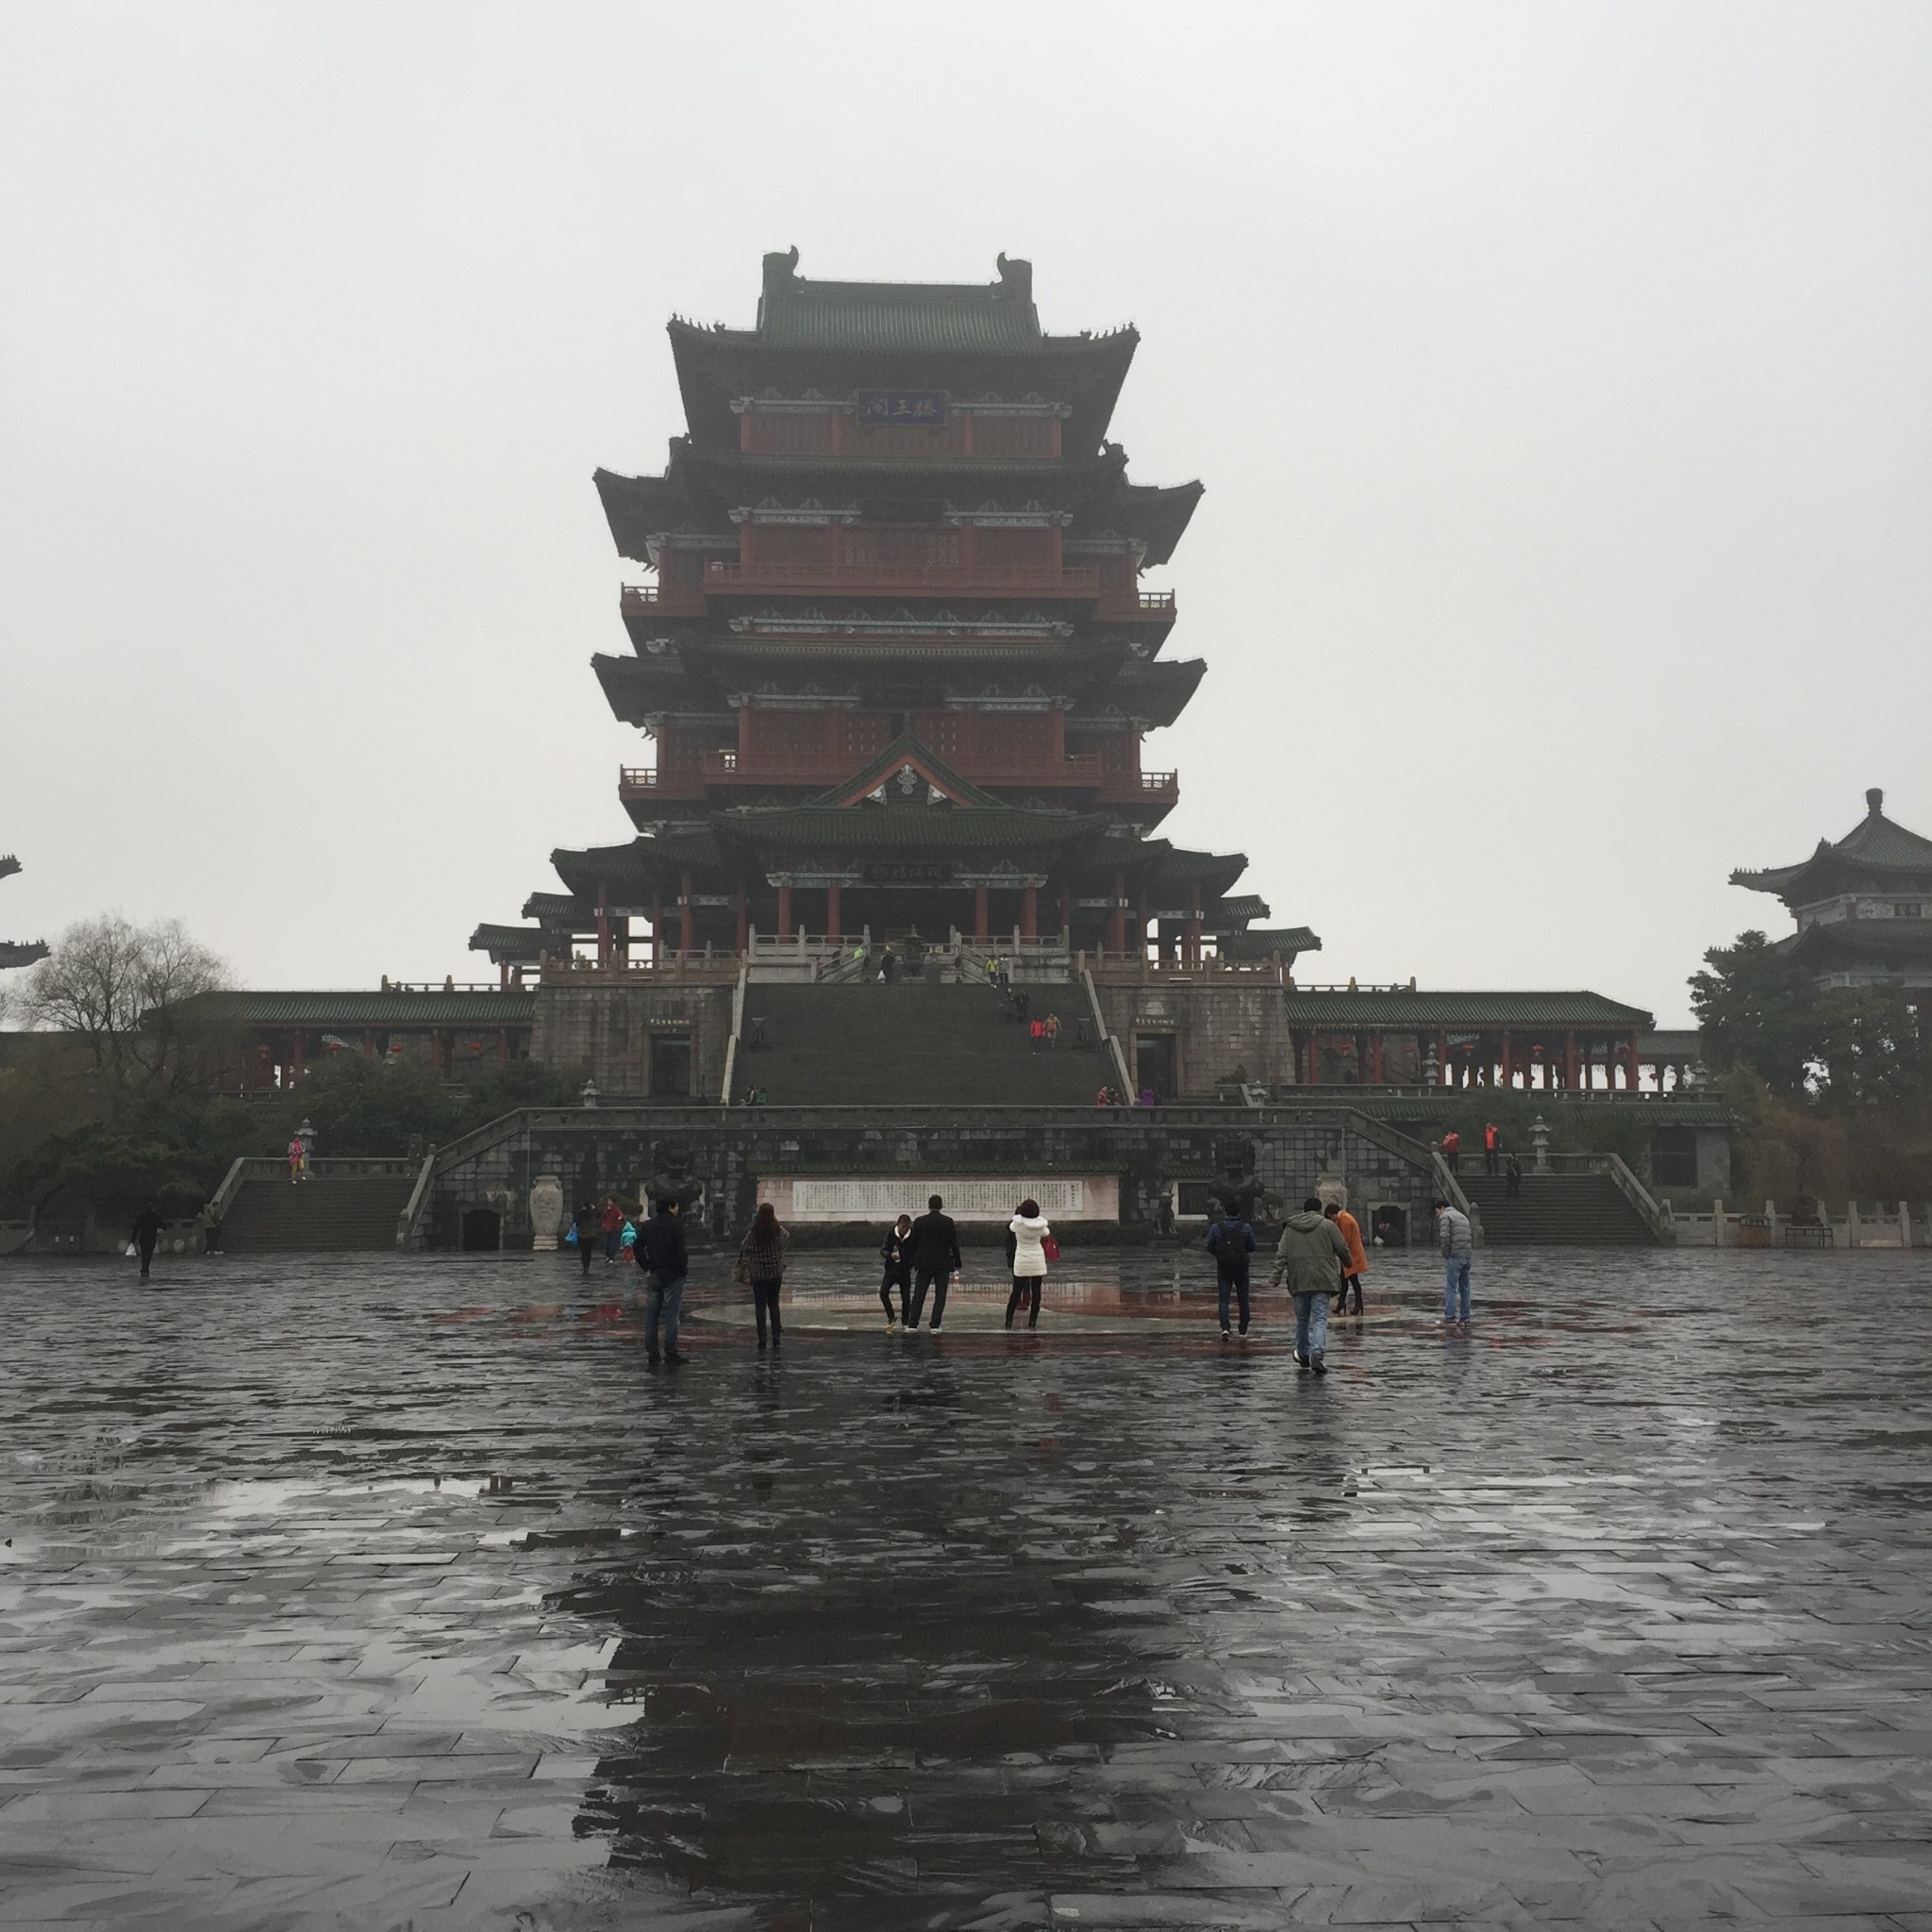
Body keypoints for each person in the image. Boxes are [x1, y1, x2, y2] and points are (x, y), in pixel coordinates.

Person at [1270, 1196, 1351, 1374]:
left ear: (1304, 1210)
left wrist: (1276, 1276)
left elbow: (1281, 1254)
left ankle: (1303, 1353)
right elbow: (1342, 1247)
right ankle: (1317, 1355)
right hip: (1322, 1278)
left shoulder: (1290, 1228)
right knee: (1320, 1319)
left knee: (1302, 1319)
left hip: (1299, 1278)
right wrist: (1348, 1262)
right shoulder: (1328, 1225)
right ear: (1319, 1209)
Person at [634, 1197, 690, 1366]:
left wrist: (646, 1265)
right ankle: (671, 1352)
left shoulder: (648, 1225)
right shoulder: (676, 1225)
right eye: (676, 1206)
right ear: (671, 1208)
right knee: (672, 1315)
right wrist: (682, 1270)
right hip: (673, 1275)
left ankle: (652, 1351)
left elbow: (637, 1246)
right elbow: (681, 1251)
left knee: (652, 1315)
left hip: (655, 1273)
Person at [906, 1193, 961, 1331]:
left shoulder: (919, 1221)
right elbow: (954, 1243)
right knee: (940, 1295)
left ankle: (913, 1323)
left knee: (919, 1294)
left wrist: (911, 1260)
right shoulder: (948, 1222)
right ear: (941, 1206)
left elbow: (913, 1244)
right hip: (942, 1263)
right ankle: (935, 1324)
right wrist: (957, 1261)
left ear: (929, 1206)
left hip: (924, 1262)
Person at [740, 1202, 789, 1349]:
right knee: (774, 1305)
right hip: (775, 1273)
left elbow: (743, 1246)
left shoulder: (754, 1232)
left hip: (758, 1274)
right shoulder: (779, 1231)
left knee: (760, 1306)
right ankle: (776, 1336)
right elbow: (786, 1239)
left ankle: (762, 1336)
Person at [1206, 1207, 1256, 1338]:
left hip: (1223, 1267)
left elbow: (1209, 1246)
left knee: (1224, 1300)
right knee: (1243, 1299)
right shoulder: (1246, 1227)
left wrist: (1219, 1254)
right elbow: (1252, 1247)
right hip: (1241, 1267)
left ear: (1225, 1212)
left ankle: (1225, 1327)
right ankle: (1243, 1328)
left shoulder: (1216, 1227)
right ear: (1238, 1213)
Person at [1005, 1197, 1052, 1328]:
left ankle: (1008, 1320)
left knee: (1016, 1291)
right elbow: (1046, 1233)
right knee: (1036, 1292)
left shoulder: (1017, 1225)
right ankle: (1032, 1321)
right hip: (1037, 1260)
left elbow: (1011, 1226)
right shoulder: (1041, 1227)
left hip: (1022, 1259)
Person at [1324, 1199, 1368, 1315]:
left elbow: (1345, 1240)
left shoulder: (1345, 1220)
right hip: (1350, 1254)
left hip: (1352, 1255)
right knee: (1344, 1280)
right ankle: (1342, 1303)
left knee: (1353, 1280)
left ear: (1331, 1214)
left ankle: (1357, 1303)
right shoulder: (1345, 1218)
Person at [1437, 1196, 1474, 1326]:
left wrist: (1445, 1254)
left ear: (1442, 1208)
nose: (1437, 1215)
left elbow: (1444, 1237)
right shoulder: (1463, 1217)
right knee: (1465, 1287)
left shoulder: (1446, 1216)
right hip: (1466, 1256)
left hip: (1454, 1256)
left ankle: (1450, 1316)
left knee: (1451, 1287)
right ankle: (1465, 1316)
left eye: (1437, 1211)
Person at [878, 1213, 912, 1332]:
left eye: (907, 1227)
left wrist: (910, 1262)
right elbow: (883, 1250)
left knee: (906, 1298)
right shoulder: (891, 1234)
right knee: (883, 1293)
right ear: (898, 1225)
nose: (905, 1230)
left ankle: (905, 1321)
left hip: (905, 1270)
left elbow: (915, 1251)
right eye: (903, 1227)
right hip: (891, 1269)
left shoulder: (912, 1236)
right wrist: (889, 1255)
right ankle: (891, 1316)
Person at [130, 1202, 165, 1284]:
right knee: (149, 1254)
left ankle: (144, 1269)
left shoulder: (141, 1216)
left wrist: (133, 1239)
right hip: (151, 1238)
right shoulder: (155, 1216)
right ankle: (145, 1269)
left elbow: (136, 1228)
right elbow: (163, 1225)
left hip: (143, 1238)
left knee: (144, 1254)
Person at [571, 1202, 596, 1279]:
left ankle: (584, 1267)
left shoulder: (581, 1213)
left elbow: (577, 1224)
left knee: (583, 1252)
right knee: (589, 1252)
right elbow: (599, 1215)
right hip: (591, 1235)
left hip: (582, 1235)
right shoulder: (593, 1213)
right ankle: (587, 1266)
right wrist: (594, 1208)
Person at [599, 1194, 624, 1266]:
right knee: (607, 1244)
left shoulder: (616, 1209)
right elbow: (603, 1218)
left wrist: (619, 1217)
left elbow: (620, 1214)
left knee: (613, 1244)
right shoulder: (605, 1210)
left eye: (610, 1201)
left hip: (615, 1229)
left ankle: (612, 1258)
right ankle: (608, 1256)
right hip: (607, 1229)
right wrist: (604, 1224)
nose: (609, 1202)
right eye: (608, 1201)